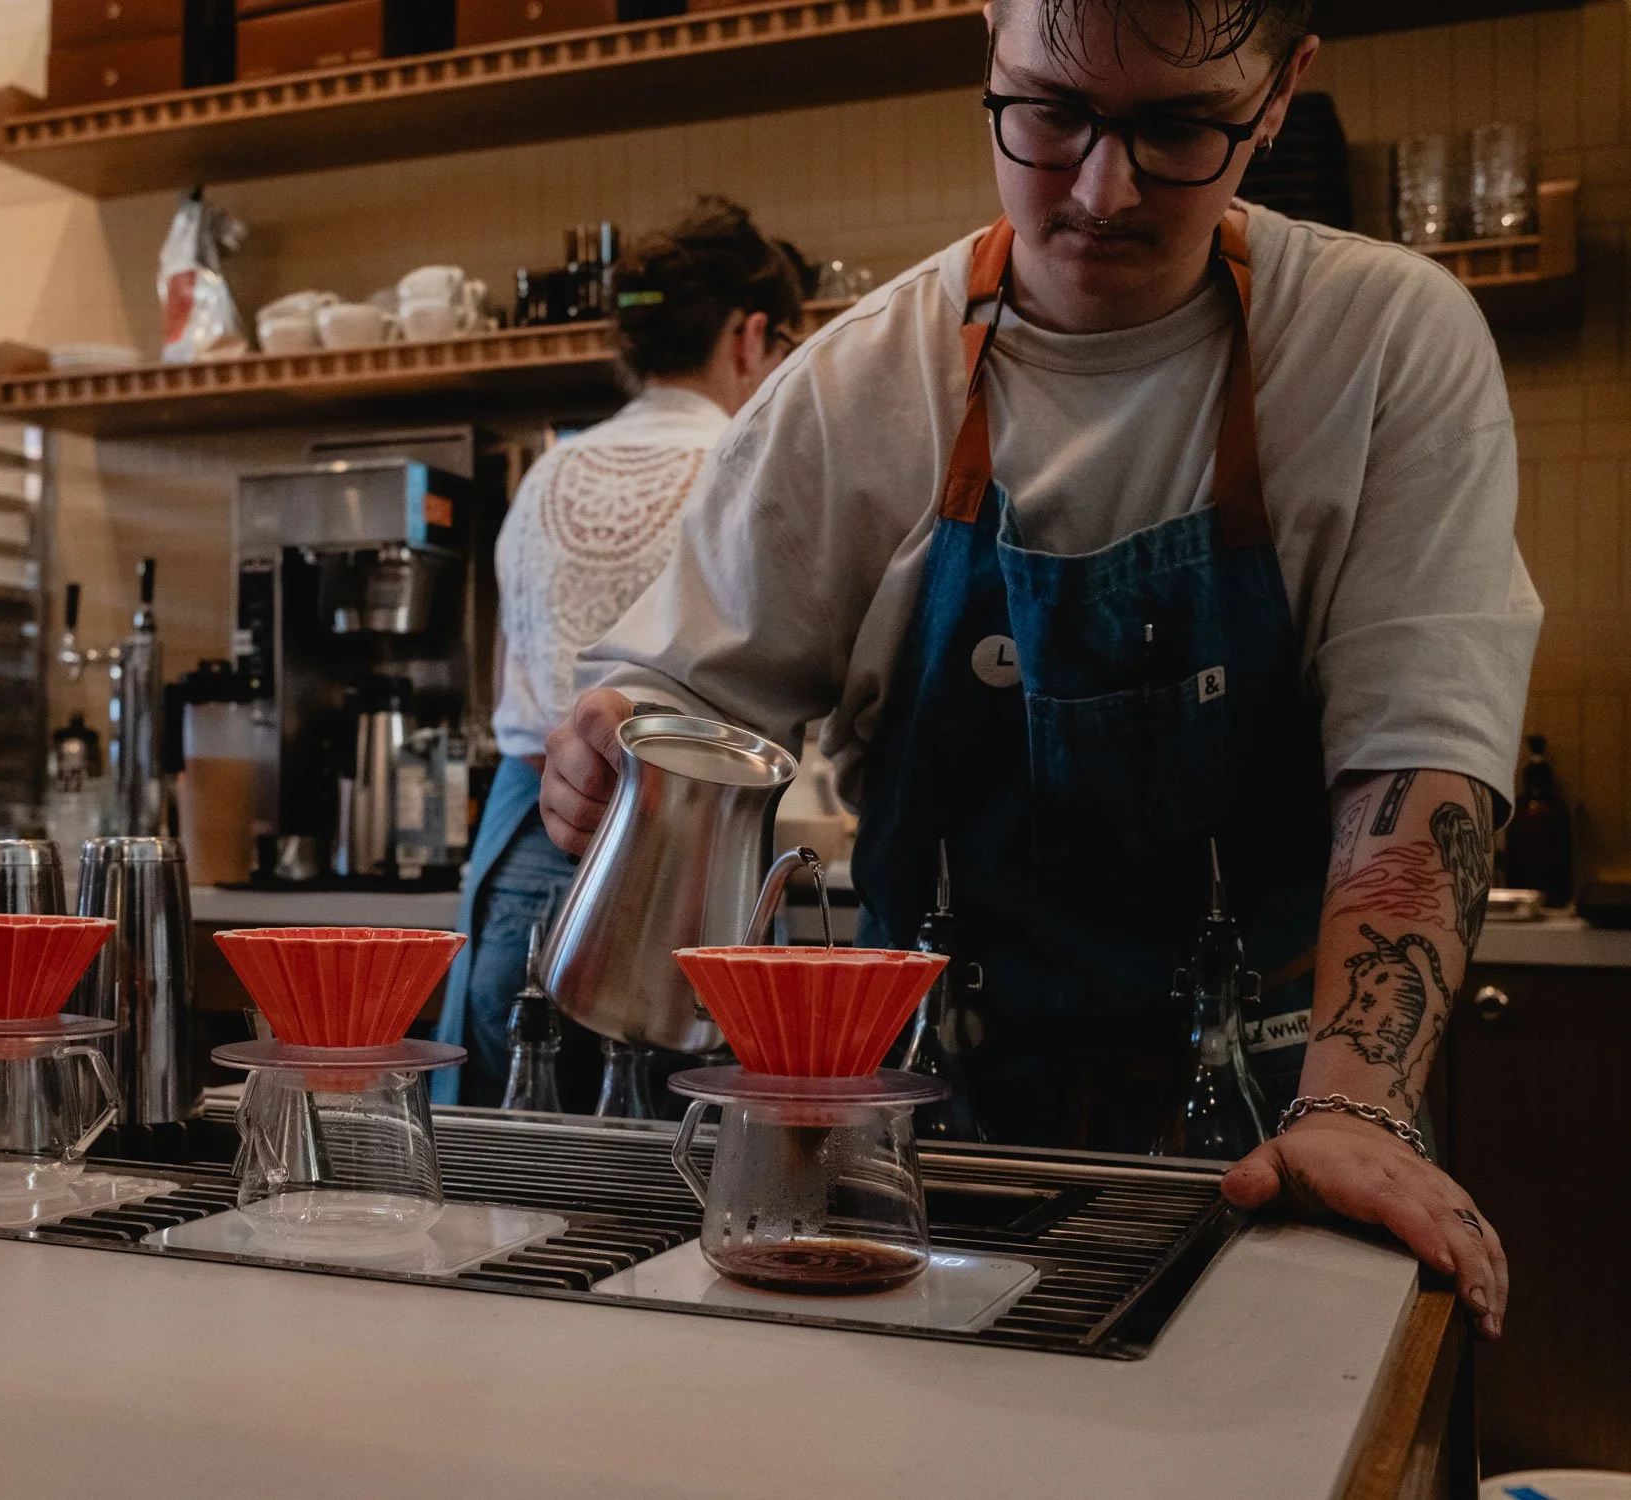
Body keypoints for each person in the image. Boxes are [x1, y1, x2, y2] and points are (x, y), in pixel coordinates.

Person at [542, 0, 1536, 1338]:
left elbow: (1416, 752)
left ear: (1280, 91)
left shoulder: (1379, 344)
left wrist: (1352, 1108)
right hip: (919, 1164)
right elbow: (693, 697)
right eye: (1050, 112)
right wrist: (620, 732)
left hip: (1286, 1148)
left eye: (1177, 126)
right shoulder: (858, 386)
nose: (1099, 188)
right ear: (990, 57)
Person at [434, 198, 806, 1107]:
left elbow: (512, 688)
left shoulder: (548, 474)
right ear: (751, 335)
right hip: (692, 878)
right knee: (681, 1195)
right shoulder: (747, 464)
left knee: (509, 1187)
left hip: (523, 855)